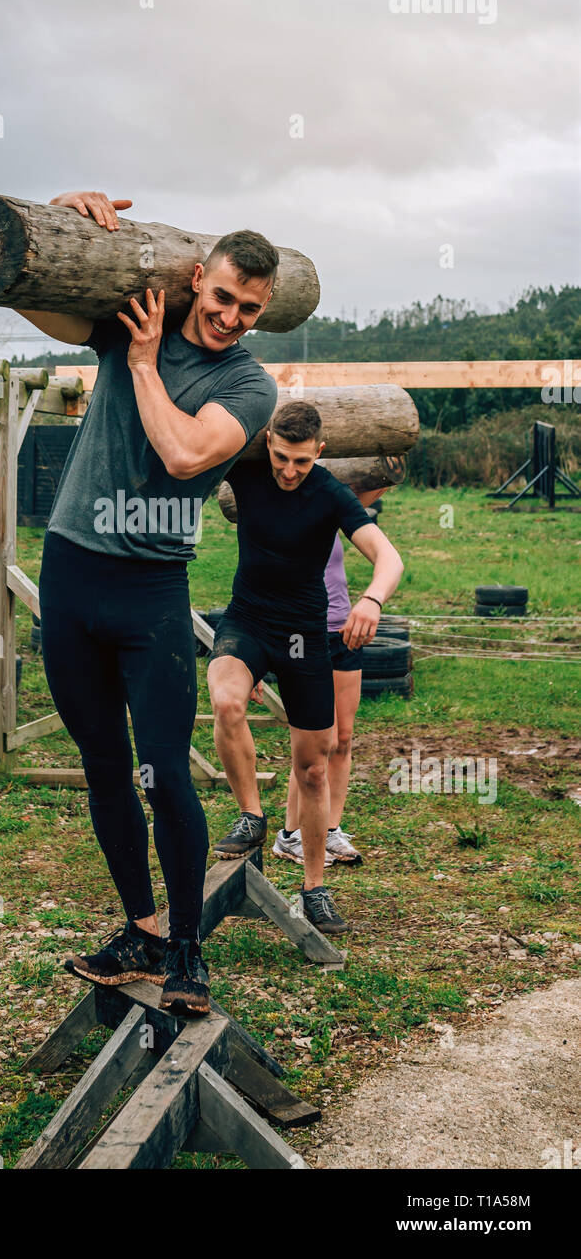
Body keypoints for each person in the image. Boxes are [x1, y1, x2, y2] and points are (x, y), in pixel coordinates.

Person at [20, 189, 279, 1014]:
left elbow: (182, 453)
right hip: (70, 574)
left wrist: (138, 365)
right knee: (103, 766)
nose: (233, 317)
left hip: (150, 590)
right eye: (224, 297)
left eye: (250, 309)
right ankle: (139, 928)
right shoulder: (139, 316)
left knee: (166, 771)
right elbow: (38, 303)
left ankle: (187, 952)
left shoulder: (248, 385)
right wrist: (54, 218)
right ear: (197, 278)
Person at [207, 401, 404, 935]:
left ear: (319, 452)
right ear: (267, 442)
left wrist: (372, 601)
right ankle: (252, 814)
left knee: (313, 768)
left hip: (304, 634)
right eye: (280, 457)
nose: (288, 471)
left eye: (300, 460)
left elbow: (389, 558)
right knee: (225, 698)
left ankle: (314, 888)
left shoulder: (330, 493)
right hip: (247, 620)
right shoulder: (245, 470)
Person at [273, 486, 388, 870]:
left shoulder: (330, 505)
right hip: (303, 635)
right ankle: (291, 835)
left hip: (344, 632)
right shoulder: (278, 516)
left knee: (342, 738)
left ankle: (331, 828)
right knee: (313, 744)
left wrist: (388, 463)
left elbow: (367, 489)